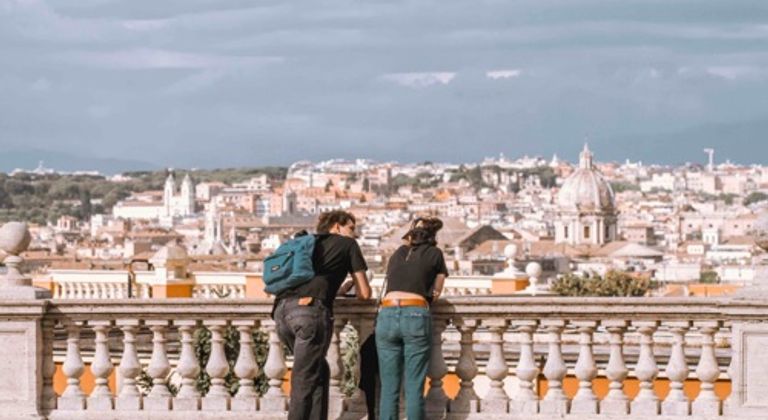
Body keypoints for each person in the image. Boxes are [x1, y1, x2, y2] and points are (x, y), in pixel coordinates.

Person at [273, 210, 372, 420]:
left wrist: (338, 289)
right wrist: (355, 283)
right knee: (304, 378)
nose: (355, 234)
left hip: (282, 311)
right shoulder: (348, 245)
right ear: (337, 226)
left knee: (319, 370)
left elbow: (311, 280)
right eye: (351, 228)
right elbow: (365, 293)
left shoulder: (307, 243)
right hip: (309, 314)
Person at [376, 217, 448, 420]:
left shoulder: (397, 254)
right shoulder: (435, 254)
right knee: (414, 386)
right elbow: (436, 290)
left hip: (387, 313)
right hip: (415, 313)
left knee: (389, 387)